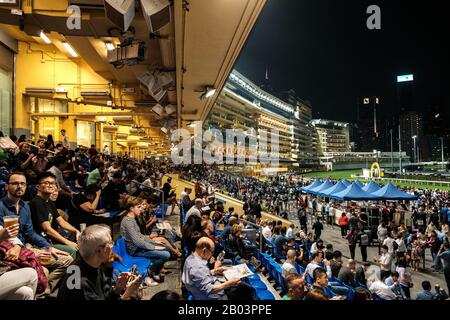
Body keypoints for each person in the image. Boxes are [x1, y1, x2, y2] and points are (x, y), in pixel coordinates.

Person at [0, 172, 73, 295]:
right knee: (48, 268)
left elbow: (30, 233)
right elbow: (4, 236)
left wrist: (49, 247)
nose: (19, 186)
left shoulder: (25, 206)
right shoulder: (1, 206)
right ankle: (42, 291)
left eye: (22, 184)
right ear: (7, 186)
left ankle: (43, 291)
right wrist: (19, 247)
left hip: (26, 247)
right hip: (11, 250)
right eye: (15, 183)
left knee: (67, 259)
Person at [57, 224, 142, 300]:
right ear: (99, 250)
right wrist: (127, 294)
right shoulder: (80, 284)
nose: (113, 246)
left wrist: (117, 289)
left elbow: (105, 296)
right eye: (110, 243)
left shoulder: (94, 264)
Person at [120, 197, 171, 285]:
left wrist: (153, 241)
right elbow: (137, 241)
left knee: (166, 248)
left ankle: (154, 270)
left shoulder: (132, 219)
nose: (141, 209)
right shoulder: (128, 221)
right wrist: (154, 246)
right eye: (138, 207)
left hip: (139, 247)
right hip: (135, 250)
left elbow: (140, 236)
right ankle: (149, 272)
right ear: (131, 208)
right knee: (166, 254)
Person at [30, 172, 80, 258]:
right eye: (46, 183)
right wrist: (68, 242)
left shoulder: (49, 202)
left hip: (50, 240)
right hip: (41, 243)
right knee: (74, 251)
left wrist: (76, 231)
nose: (51, 185)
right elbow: (47, 229)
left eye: (53, 183)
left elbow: (61, 222)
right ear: (38, 186)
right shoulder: (36, 202)